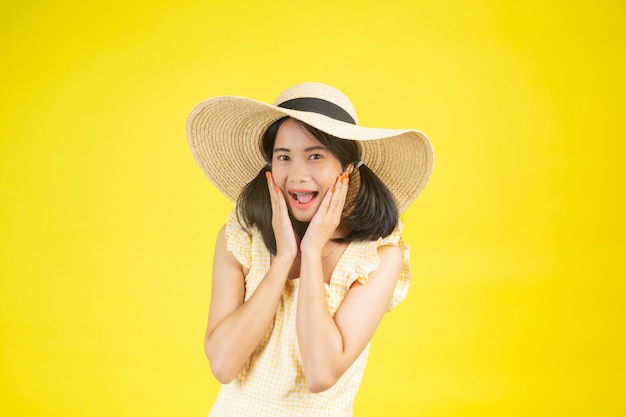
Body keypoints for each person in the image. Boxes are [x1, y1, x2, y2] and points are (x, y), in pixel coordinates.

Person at [186, 82, 434, 416]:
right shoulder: (241, 238)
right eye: (284, 157)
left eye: (316, 156)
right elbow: (223, 364)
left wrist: (312, 251)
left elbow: (322, 372)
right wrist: (284, 259)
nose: (298, 175)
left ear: (346, 170)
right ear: (269, 169)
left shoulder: (376, 258)